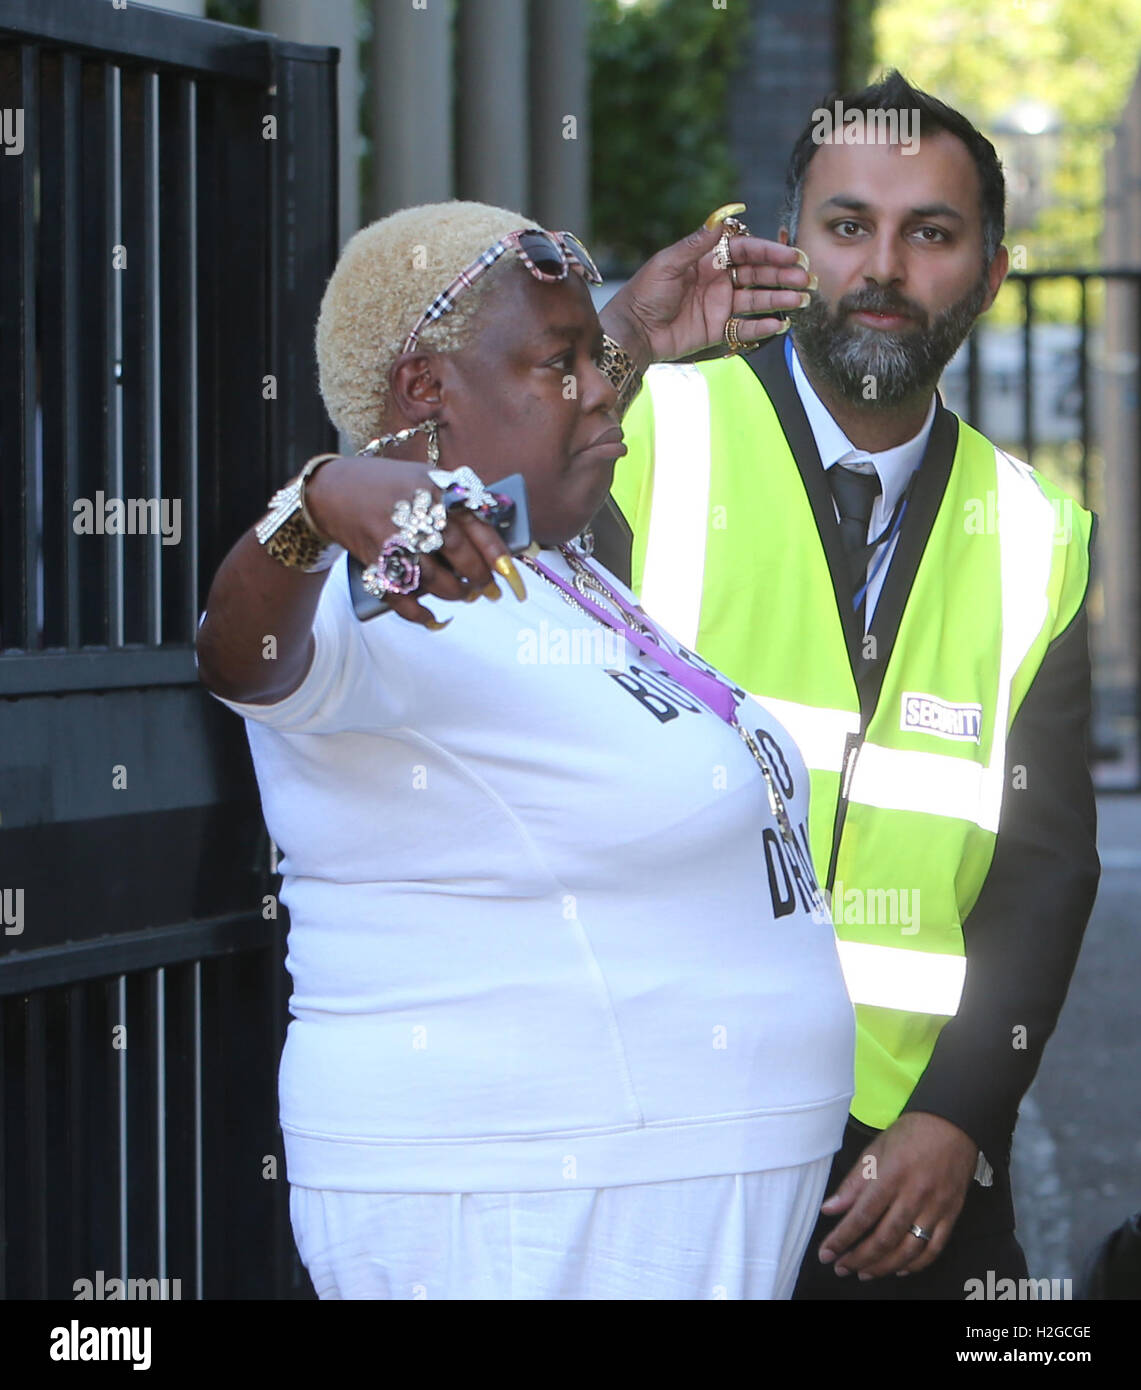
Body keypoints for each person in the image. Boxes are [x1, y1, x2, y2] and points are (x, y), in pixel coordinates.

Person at [195, 200, 856, 1300]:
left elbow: (540, 411)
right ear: (424, 392)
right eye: (565, 361)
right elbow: (239, 656)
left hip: (641, 1196)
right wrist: (315, 504)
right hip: (512, 1211)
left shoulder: (547, 572)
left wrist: (624, 331)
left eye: (596, 359)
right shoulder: (383, 593)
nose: (599, 385)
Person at [592, 71, 1099, 1299]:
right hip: (653, 1124)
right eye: (845, 225)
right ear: (787, 246)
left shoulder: (1036, 536)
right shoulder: (645, 432)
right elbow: (424, 520)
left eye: (929, 233)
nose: (883, 267)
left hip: (899, 1173)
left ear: (988, 272)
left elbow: (1043, 869)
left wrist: (961, 1117)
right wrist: (616, 341)